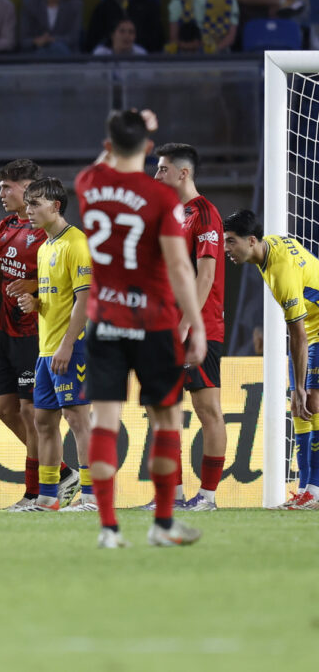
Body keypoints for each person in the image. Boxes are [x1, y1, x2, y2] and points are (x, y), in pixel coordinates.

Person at [74, 109, 206, 548]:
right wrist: (197, 325)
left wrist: (126, 130)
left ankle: (109, 529)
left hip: (105, 322)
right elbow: (180, 267)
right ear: (149, 149)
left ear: (108, 146)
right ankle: (163, 523)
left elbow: (100, 164)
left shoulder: (88, 184)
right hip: (154, 323)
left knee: (104, 421)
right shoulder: (161, 196)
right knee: (166, 420)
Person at [0, 159, 79, 511]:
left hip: (37, 333)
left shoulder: (51, 232)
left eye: (8, 187)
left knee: (34, 414)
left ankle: (35, 493)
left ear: (30, 188)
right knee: (5, 410)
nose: (1, 193)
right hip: (6, 331)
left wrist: (34, 287)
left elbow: (64, 284)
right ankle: (62, 473)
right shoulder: (5, 227)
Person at [223, 209, 319, 510]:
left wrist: (300, 386)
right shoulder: (269, 247)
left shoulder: (281, 271)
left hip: (314, 331)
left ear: (251, 240)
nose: (226, 249)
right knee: (299, 408)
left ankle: (315, 490)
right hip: (310, 327)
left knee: (311, 401)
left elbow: (297, 335)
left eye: (231, 241)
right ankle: (305, 489)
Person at [153, 143, 226, 511]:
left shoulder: (205, 213)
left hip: (199, 328)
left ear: (183, 173)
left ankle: (207, 497)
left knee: (207, 409)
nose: (156, 176)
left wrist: (186, 325)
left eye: (162, 169)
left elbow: (206, 276)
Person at [14, 178, 93, 512]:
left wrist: (67, 345)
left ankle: (92, 496)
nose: (28, 210)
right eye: (28, 204)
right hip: (46, 351)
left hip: (71, 348)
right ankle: (48, 497)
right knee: (43, 422)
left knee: (78, 420)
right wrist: (36, 303)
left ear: (56, 206)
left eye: (35, 204)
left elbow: (85, 299)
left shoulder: (76, 243)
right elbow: (58, 298)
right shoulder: (45, 247)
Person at [84, 0, 163, 52]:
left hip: (144, 62)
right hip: (108, 62)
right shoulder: (102, 9)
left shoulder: (149, 7)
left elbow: (157, 43)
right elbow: (91, 44)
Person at [167, 0, 238, 53]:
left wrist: (212, 50)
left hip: (219, 56)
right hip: (186, 55)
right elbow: (173, 38)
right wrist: (191, 46)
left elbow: (231, 37)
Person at [18, 0, 82, 54]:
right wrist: (36, 41)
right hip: (35, 52)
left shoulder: (75, 5)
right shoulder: (29, 4)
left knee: (58, 48)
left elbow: (74, 38)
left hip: (67, 53)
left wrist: (52, 40)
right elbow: (24, 40)